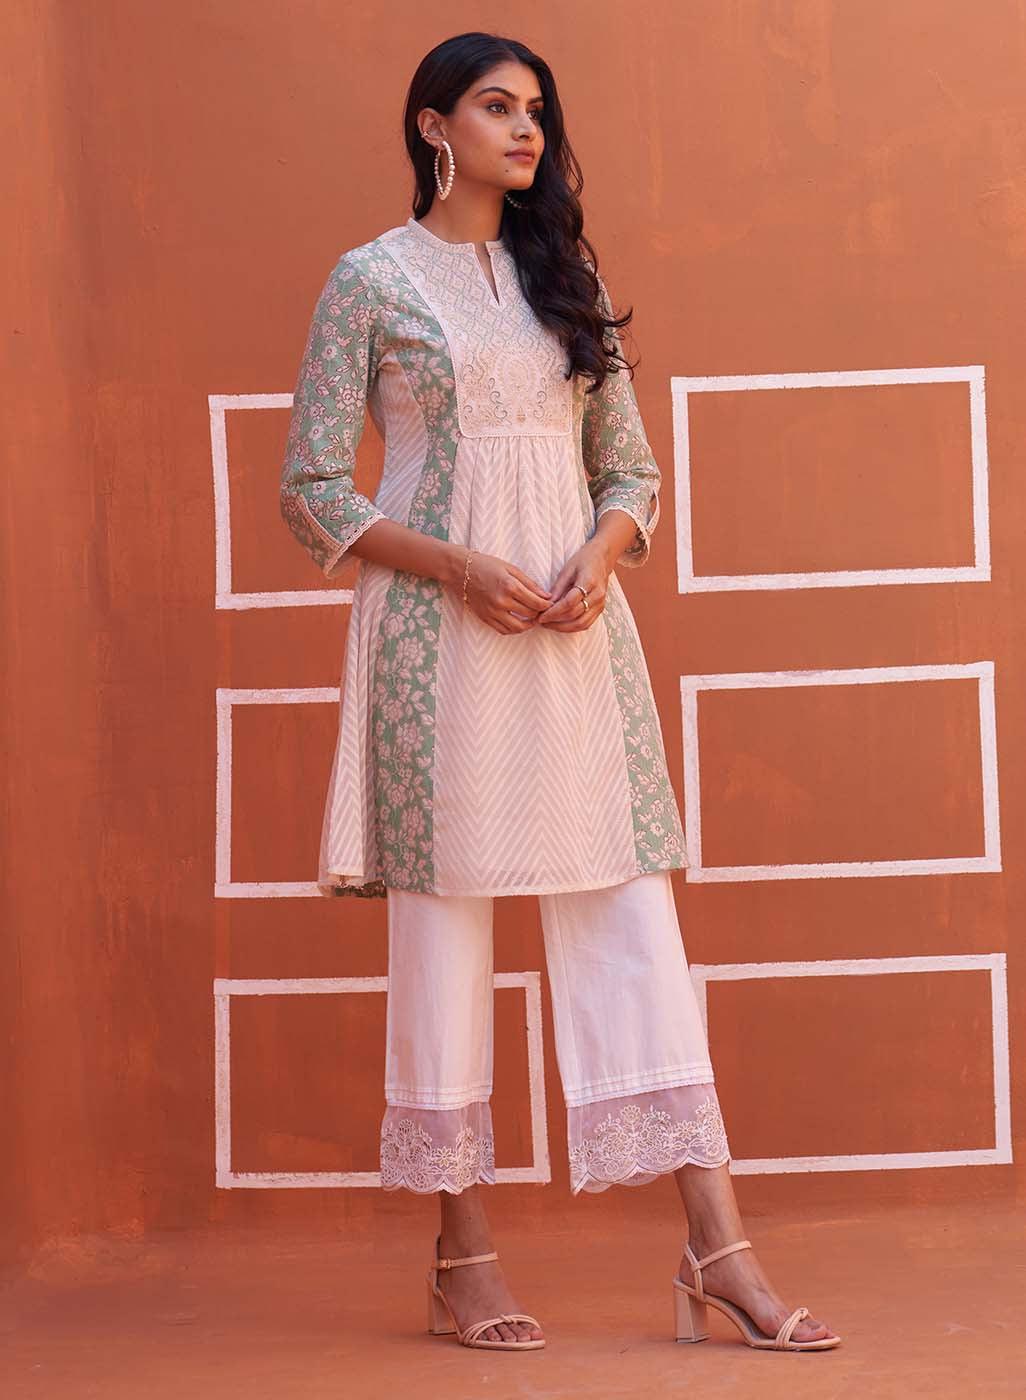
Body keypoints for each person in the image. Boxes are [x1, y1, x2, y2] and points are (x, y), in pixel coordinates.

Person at [280, 30, 840, 1355]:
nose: (525, 128)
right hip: (434, 640)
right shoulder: (369, 281)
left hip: (576, 638)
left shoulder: (564, 279)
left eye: (536, 109)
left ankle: (719, 1250)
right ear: (433, 126)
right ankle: (461, 1257)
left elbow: (630, 473)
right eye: (496, 106)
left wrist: (599, 554)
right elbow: (311, 488)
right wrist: (458, 566)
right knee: (444, 934)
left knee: (633, 920)